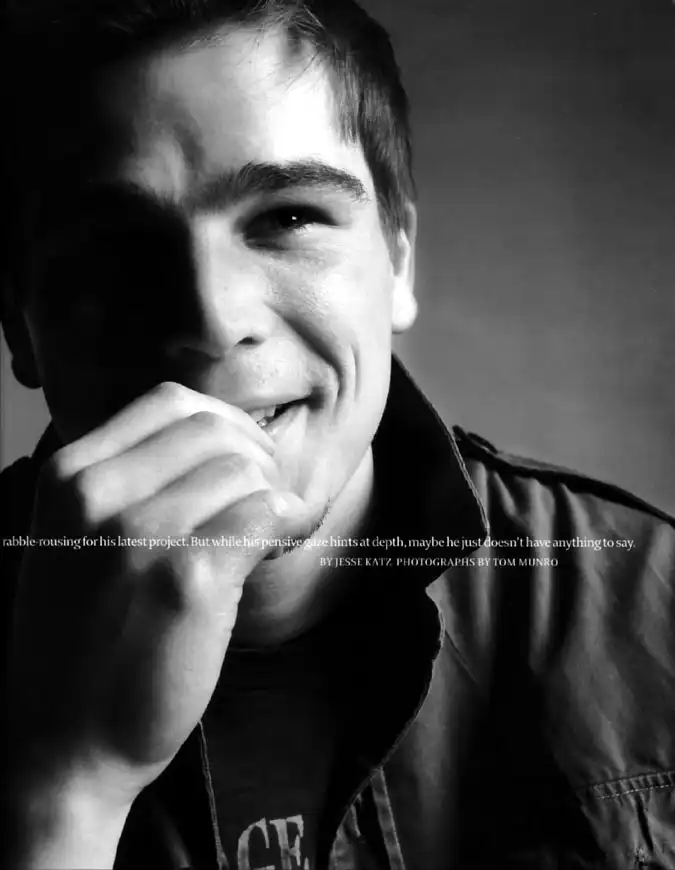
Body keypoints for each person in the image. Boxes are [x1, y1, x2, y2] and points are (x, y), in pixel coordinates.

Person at [1, 1, 674, 868]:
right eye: (113, 246)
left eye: (286, 218)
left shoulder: (651, 603)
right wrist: (68, 791)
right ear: (20, 326)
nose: (214, 320)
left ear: (398, 258)